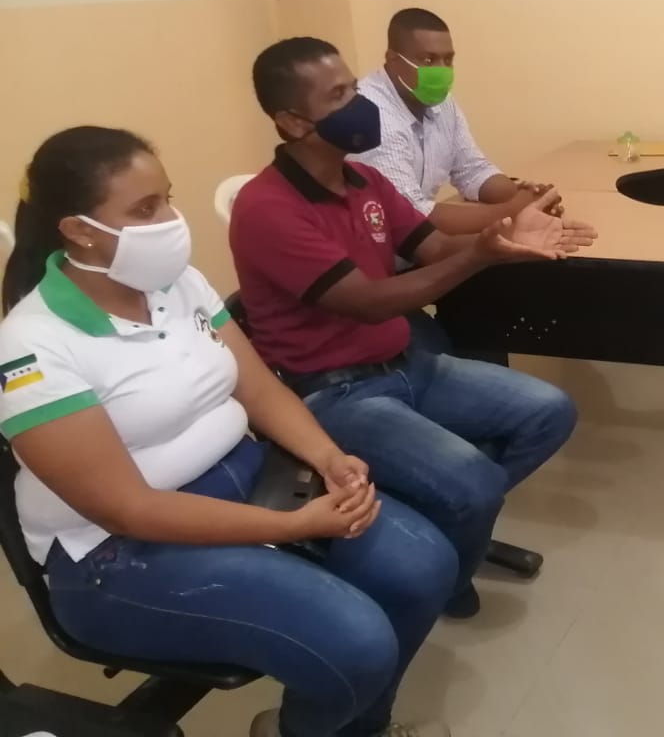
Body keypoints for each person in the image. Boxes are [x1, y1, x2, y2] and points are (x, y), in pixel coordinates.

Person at [0, 126, 456, 737]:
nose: (170, 220)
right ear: (79, 231)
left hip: (241, 476)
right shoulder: (31, 346)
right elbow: (128, 509)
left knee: (424, 566)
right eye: (144, 209)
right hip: (115, 554)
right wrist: (293, 526)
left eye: (166, 198)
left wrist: (328, 456)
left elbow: (259, 387)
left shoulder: (177, 283)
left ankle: (353, 727)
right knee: (358, 641)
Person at [230, 37, 595, 618]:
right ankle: (450, 561)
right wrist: (479, 257)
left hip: (408, 365)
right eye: (339, 95)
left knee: (549, 412)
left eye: (354, 87)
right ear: (293, 122)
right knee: (474, 483)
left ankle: (449, 524)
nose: (361, 104)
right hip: (334, 393)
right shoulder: (266, 208)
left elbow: (434, 247)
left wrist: (503, 237)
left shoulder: (364, 182)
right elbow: (370, 302)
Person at [352, 8, 558, 235]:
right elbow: (412, 216)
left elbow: (472, 169)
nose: (441, 70)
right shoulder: (372, 115)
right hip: (379, 248)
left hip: (422, 243)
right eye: (428, 60)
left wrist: (527, 195)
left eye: (448, 60)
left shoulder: (441, 103)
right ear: (392, 59)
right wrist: (514, 210)